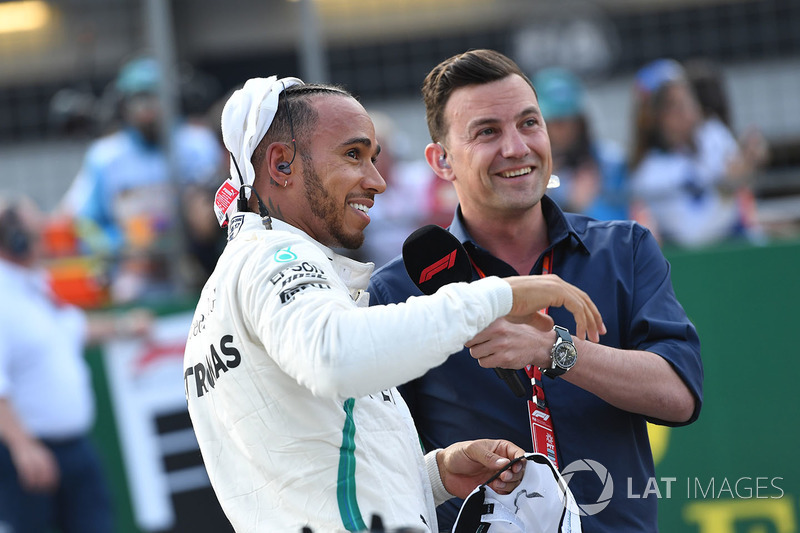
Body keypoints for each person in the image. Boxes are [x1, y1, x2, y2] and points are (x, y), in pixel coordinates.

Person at [183, 76, 605, 532]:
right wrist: (498, 294)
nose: (378, 181)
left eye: (375, 158)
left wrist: (436, 474)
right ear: (282, 164)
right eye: (353, 155)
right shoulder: (273, 256)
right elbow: (334, 358)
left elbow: (308, 474)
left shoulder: (235, 280)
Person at [368, 49, 703, 532]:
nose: (517, 147)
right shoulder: (400, 289)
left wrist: (554, 349)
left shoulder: (623, 249)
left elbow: (679, 394)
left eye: (529, 123)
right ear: (442, 160)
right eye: (487, 132)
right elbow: (380, 468)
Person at [0, 197, 151, 533]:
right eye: (36, 232)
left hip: (73, 447)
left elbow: (72, 327)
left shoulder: (33, 286)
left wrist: (125, 326)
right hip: (29, 453)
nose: (45, 239)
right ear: (15, 240)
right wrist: (22, 446)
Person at [60, 55, 223, 303]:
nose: (146, 109)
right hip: (132, 285)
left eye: (153, 97)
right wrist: (120, 246)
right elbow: (85, 223)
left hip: (198, 277)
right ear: (124, 104)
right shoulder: (105, 156)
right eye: (138, 100)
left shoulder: (197, 145)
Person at [628, 58, 759, 248]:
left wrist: (749, 164)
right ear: (653, 117)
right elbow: (693, 236)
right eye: (673, 106)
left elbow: (744, 192)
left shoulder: (714, 134)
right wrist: (727, 191)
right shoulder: (648, 174)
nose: (687, 111)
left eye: (688, 98)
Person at [531, 67, 628, 221]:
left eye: (570, 120)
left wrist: (589, 205)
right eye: (555, 122)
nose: (563, 131)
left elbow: (622, 219)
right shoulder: (531, 170)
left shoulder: (610, 160)